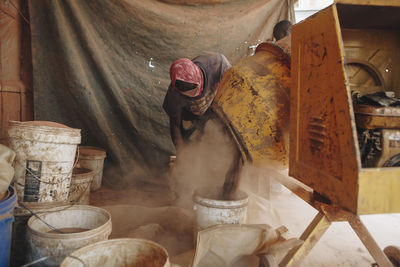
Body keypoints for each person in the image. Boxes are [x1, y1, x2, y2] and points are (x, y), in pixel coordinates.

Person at [163, 52, 231, 152]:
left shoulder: (218, 65)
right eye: (188, 95)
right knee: (190, 146)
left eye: (196, 91)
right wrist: (181, 155)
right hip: (191, 117)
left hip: (215, 109)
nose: (195, 96)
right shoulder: (174, 94)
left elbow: (233, 91)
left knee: (220, 143)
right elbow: (175, 125)